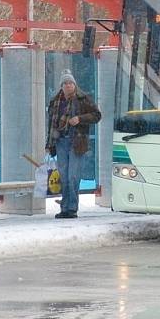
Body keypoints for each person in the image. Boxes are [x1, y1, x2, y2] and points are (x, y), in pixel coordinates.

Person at [45, 69, 101, 219]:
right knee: (64, 176)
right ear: (61, 86)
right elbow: (51, 124)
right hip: (60, 141)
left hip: (77, 142)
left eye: (70, 83)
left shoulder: (83, 99)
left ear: (75, 85)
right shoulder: (55, 101)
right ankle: (65, 207)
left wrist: (80, 119)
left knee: (73, 176)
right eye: (65, 83)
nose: (68, 85)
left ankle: (72, 208)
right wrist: (49, 144)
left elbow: (97, 115)